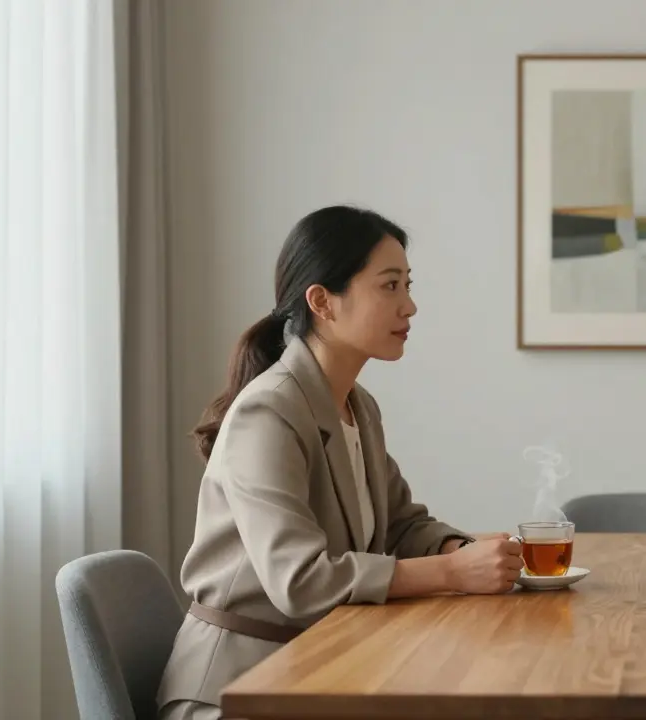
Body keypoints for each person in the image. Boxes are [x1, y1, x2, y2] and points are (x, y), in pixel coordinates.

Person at [157, 206, 525, 720]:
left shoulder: (357, 405)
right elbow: (301, 582)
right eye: (389, 286)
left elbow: (401, 523)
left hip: (318, 665)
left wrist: (464, 549)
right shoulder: (269, 411)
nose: (410, 306)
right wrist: (451, 572)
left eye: (408, 285)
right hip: (235, 689)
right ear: (323, 302)